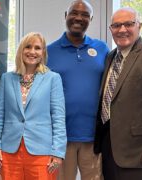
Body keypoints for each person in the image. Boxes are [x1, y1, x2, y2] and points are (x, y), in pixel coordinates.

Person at [0, 32, 66, 180]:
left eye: (37, 48)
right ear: (21, 50)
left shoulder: (53, 79)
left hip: (42, 152)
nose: (32, 52)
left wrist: (58, 152)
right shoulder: (7, 78)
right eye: (28, 47)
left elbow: (58, 118)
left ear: (43, 52)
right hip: (9, 151)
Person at [46, 1, 109, 179]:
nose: (79, 18)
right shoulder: (48, 52)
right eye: (74, 13)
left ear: (91, 19)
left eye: (85, 15)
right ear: (66, 15)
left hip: (94, 137)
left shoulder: (102, 49)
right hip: (59, 138)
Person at [94, 7, 142, 180]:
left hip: (138, 151)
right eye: (116, 25)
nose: (122, 30)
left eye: (129, 24)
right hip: (108, 145)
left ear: (139, 26)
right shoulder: (111, 56)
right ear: (111, 29)